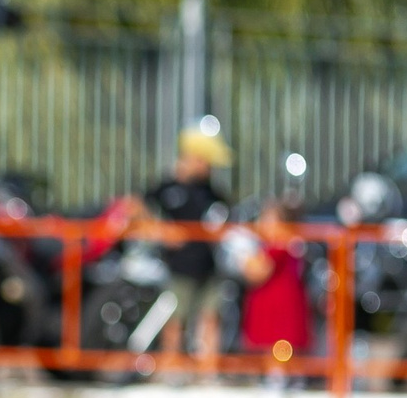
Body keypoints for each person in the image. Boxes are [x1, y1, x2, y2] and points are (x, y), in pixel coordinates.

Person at [120, 124, 234, 373]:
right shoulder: (168, 188)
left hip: (208, 266)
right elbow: (135, 206)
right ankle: (172, 367)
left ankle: (207, 370)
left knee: (210, 317)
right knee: (175, 319)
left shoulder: (211, 191)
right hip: (179, 267)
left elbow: (225, 218)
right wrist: (161, 230)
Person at [234, 195, 314, 384]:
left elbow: (259, 272)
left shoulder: (282, 243)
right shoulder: (279, 243)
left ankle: (280, 376)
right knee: (270, 342)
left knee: (280, 340)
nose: (263, 224)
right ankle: (277, 375)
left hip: (280, 301)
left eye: (268, 219)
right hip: (271, 298)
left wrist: (243, 258)